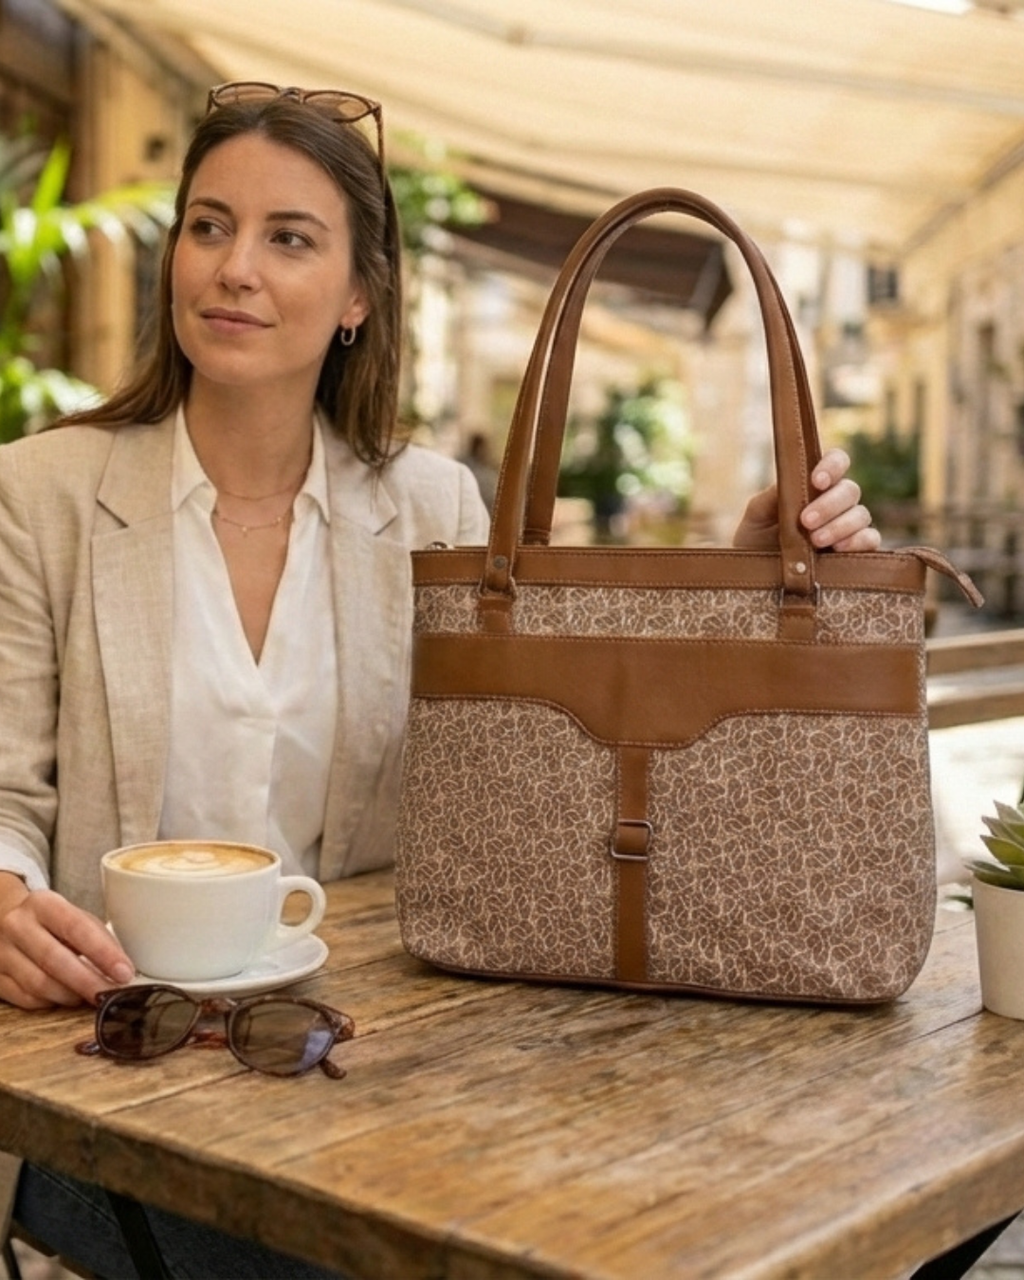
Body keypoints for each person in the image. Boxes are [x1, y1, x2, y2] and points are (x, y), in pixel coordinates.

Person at [0, 82, 879, 1278]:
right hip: (122, 1073)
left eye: (288, 237)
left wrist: (740, 584)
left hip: (364, 1064)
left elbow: (541, 762)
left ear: (360, 294)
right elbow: (7, 792)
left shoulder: (433, 509)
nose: (233, 268)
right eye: (208, 226)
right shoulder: (40, 494)